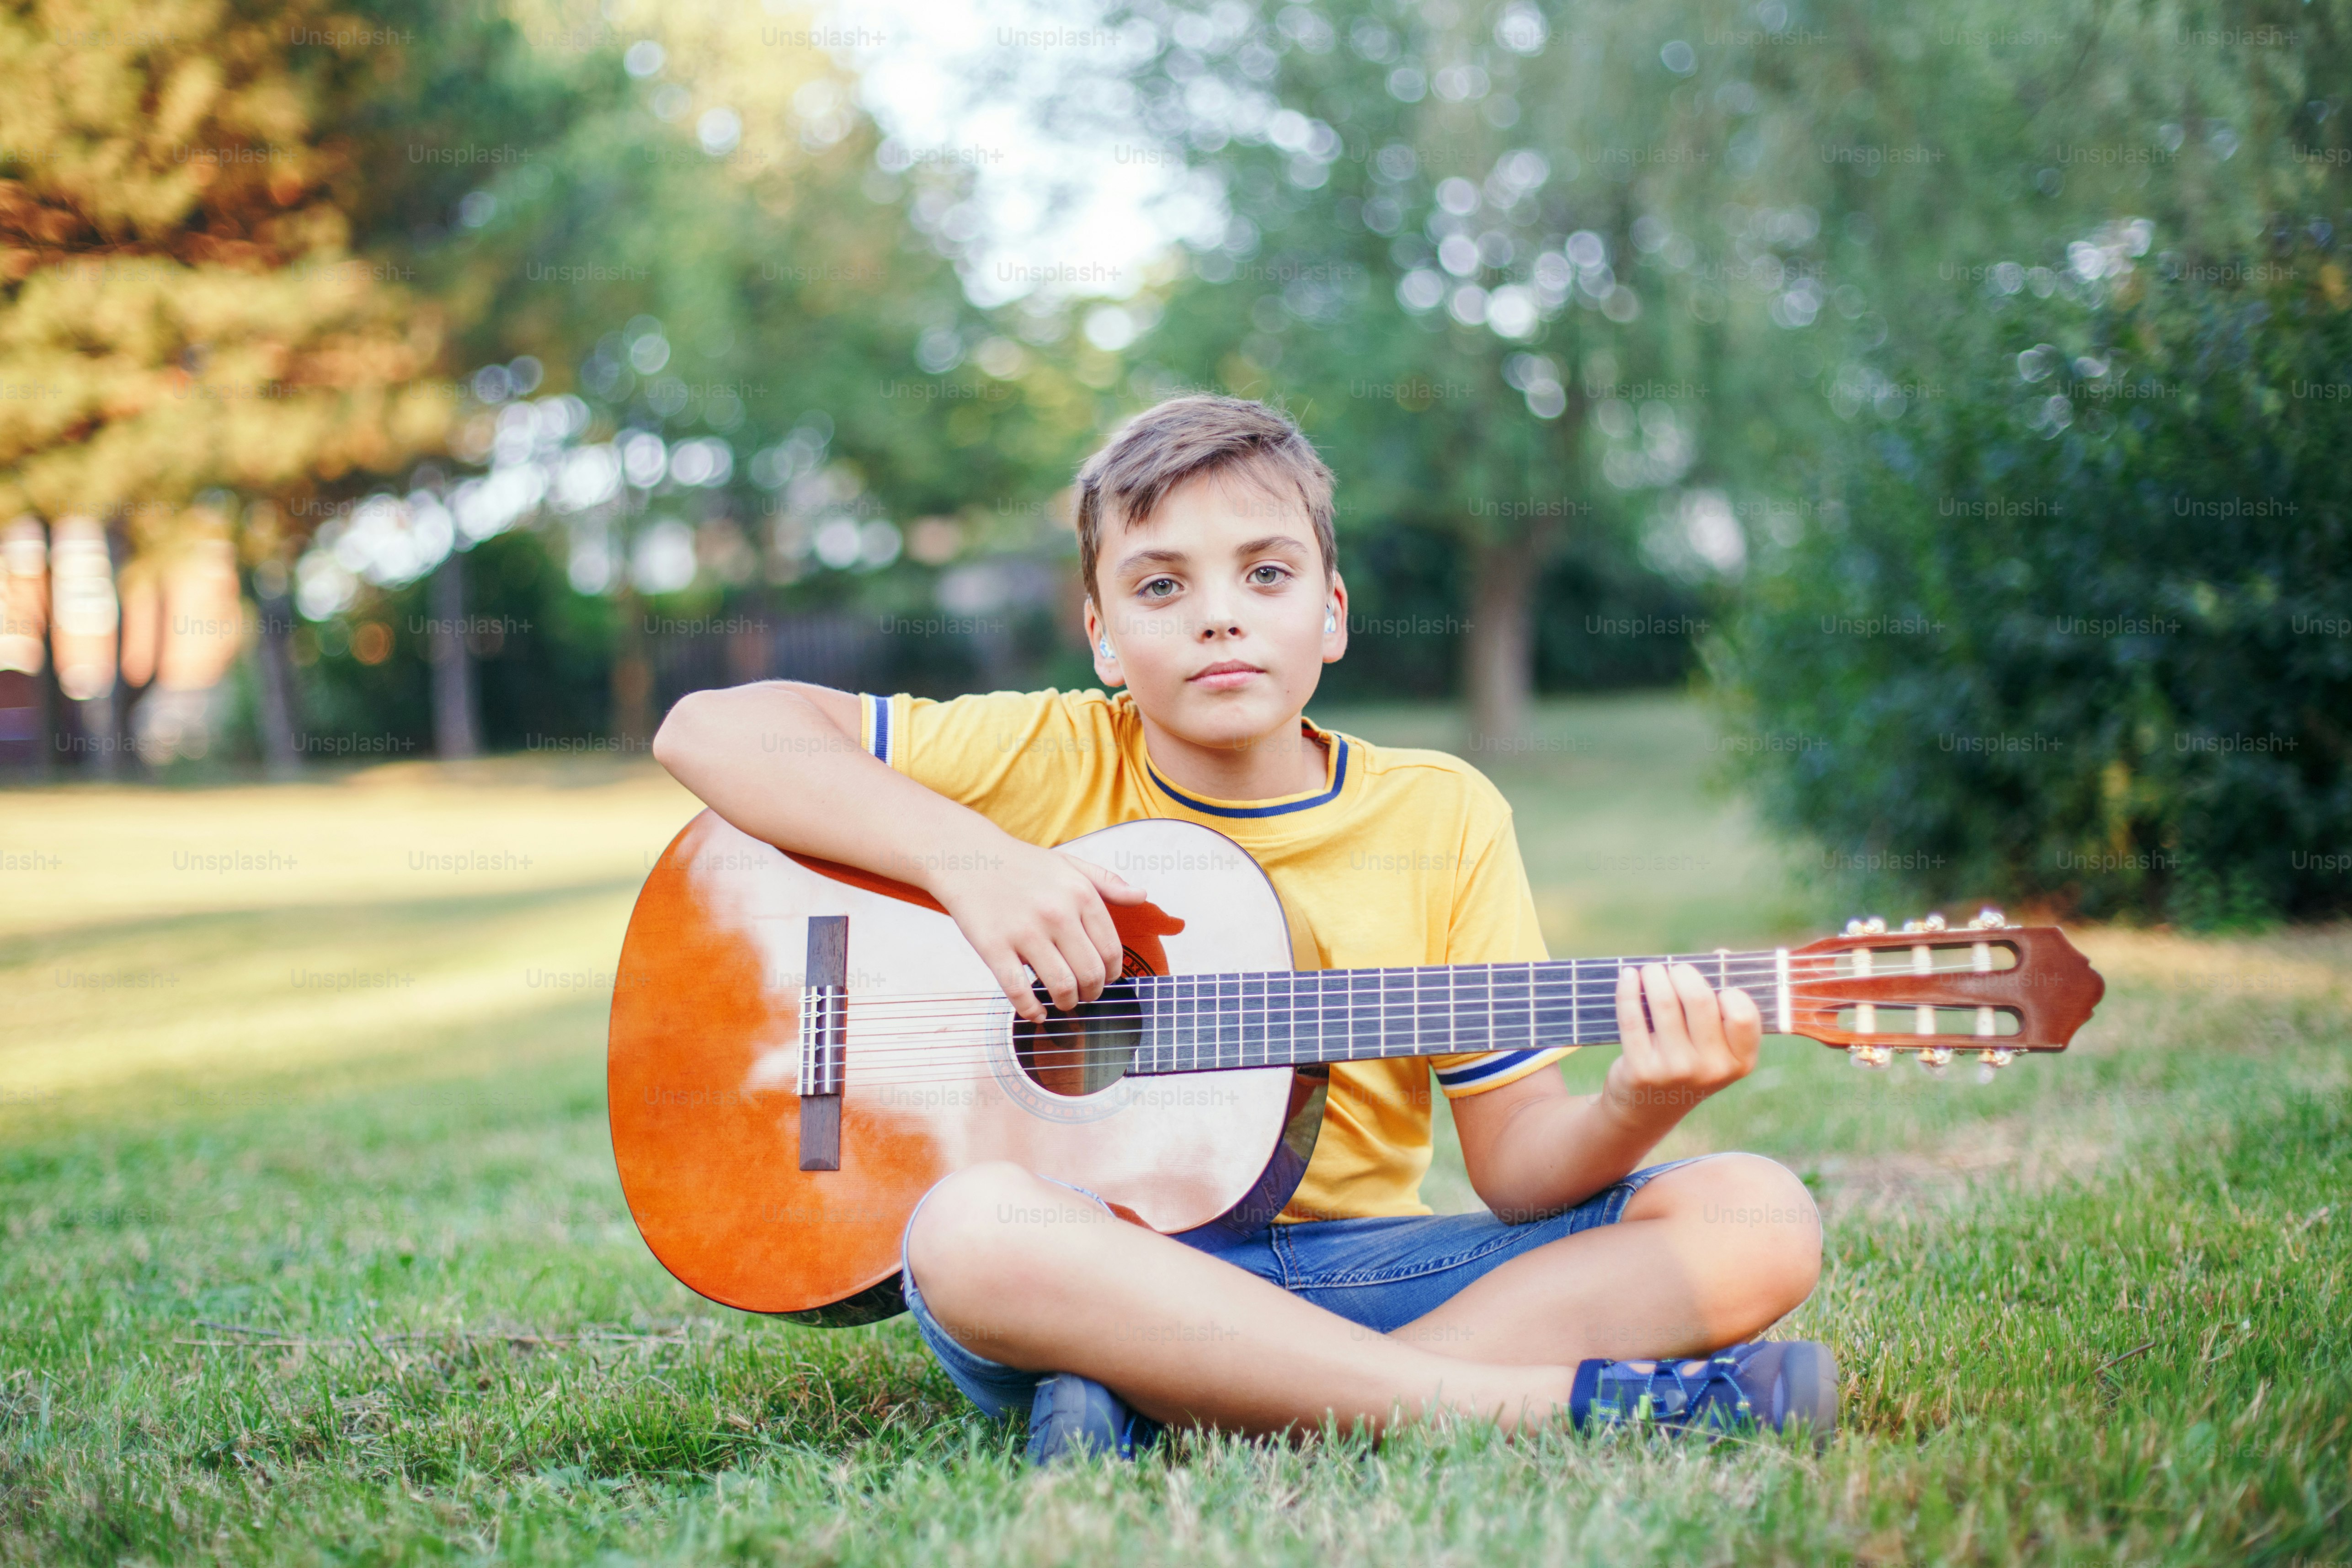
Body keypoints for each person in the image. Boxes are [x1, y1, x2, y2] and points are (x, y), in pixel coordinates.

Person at [652, 394, 1833, 1464]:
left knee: (1757, 1218)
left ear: (1330, 615)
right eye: (1161, 586)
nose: (1217, 618)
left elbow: (1519, 1170)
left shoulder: (1440, 812)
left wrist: (1644, 1098)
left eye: (1264, 576)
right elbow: (711, 731)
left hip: (1375, 1271)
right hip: (1095, 1265)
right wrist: (977, 867)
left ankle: (1165, 1396)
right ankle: (1501, 1404)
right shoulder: (1044, 752)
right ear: (1104, 634)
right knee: (967, 1229)